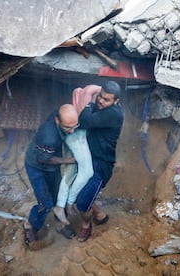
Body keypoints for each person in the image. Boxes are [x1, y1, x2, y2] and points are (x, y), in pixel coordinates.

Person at [23, 104, 79, 249]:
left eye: (75, 126)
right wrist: (68, 160)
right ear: (57, 121)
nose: (72, 131)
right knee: (45, 202)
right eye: (68, 128)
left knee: (59, 195)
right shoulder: (49, 136)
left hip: (51, 166)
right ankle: (30, 225)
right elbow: (44, 159)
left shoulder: (63, 115)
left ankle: (61, 223)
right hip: (37, 166)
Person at [74, 80, 124, 242]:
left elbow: (84, 121)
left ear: (116, 101)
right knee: (78, 193)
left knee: (81, 203)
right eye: (100, 96)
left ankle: (86, 226)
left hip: (100, 165)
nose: (101, 101)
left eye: (106, 99)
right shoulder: (103, 108)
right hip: (88, 160)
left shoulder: (113, 114)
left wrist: (88, 101)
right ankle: (99, 214)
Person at [52, 85, 100, 237]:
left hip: (73, 135)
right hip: (76, 137)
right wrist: (101, 93)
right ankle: (69, 202)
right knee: (87, 171)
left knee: (71, 172)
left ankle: (60, 206)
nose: (102, 102)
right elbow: (89, 90)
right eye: (102, 98)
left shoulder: (83, 96)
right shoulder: (91, 93)